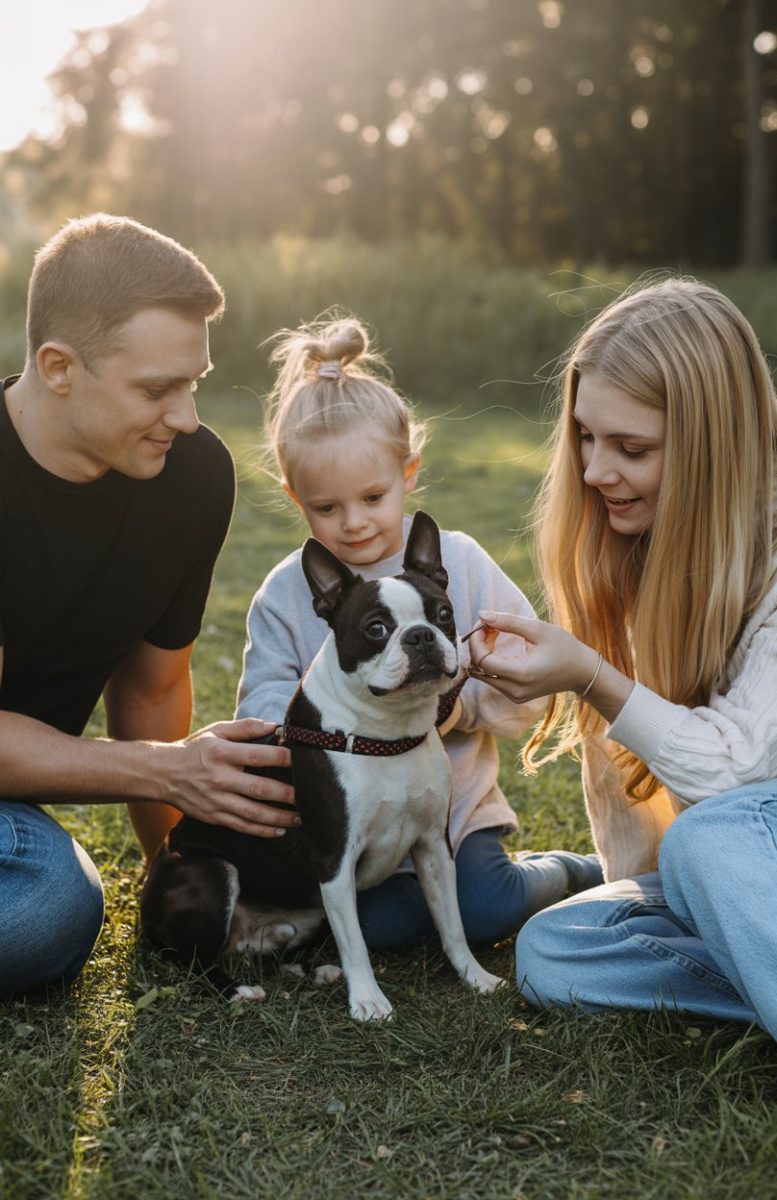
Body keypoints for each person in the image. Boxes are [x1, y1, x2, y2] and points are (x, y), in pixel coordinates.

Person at [465, 277, 777, 1064]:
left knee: (710, 842)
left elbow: (736, 772)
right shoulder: (648, 537)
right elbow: (637, 800)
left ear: (713, 438)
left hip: (754, 832)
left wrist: (591, 676)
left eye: (631, 448)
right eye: (586, 436)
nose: (592, 470)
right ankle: (770, 963)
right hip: (757, 864)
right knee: (557, 949)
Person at [235, 314, 603, 950]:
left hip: (452, 806)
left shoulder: (455, 563)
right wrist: (342, 721)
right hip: (353, 822)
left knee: (486, 910)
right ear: (297, 500)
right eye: (327, 508)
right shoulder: (286, 594)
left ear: (408, 474)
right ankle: (410, 907)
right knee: (380, 927)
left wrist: (457, 707)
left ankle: (570, 871)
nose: (353, 524)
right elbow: (263, 715)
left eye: (373, 497)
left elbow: (530, 683)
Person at [0, 213, 297, 997]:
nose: (187, 417)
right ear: (59, 366)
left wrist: (175, 870)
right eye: (157, 390)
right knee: (52, 907)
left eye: (193, 383)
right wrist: (167, 769)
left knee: (46, 906)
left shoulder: (192, 475)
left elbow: (153, 688)